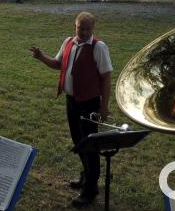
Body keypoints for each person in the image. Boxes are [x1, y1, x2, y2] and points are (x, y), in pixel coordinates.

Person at [29, 12, 113, 208]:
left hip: (89, 103)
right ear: (74, 26)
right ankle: (86, 176)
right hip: (72, 101)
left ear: (93, 28)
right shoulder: (68, 42)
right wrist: (41, 57)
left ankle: (90, 190)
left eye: (87, 29)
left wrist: (104, 106)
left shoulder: (98, 47)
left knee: (90, 147)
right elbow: (59, 64)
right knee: (79, 143)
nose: (83, 32)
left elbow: (107, 78)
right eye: (80, 28)